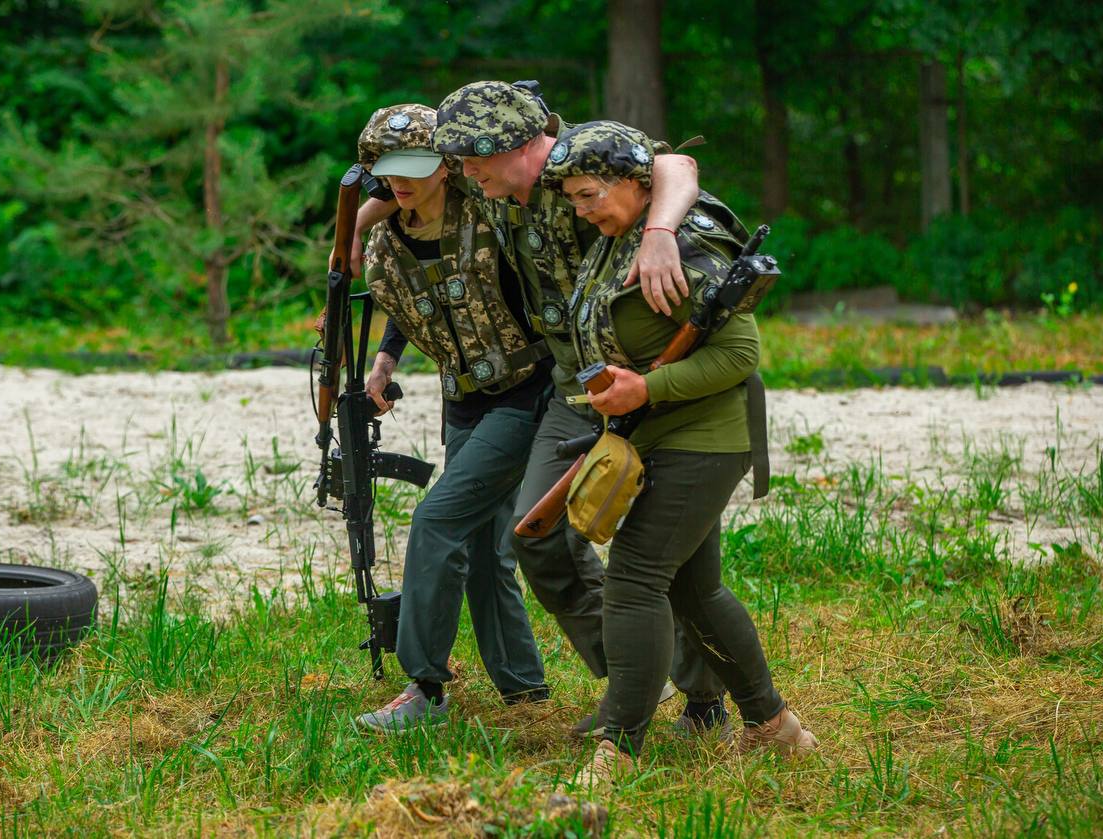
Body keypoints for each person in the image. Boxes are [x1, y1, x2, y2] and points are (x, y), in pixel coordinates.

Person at [428, 81, 733, 740]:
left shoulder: (581, 159)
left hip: (648, 376)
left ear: (511, 144)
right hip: (574, 391)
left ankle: (707, 703)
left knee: (668, 559)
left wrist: (659, 233)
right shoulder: (495, 191)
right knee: (537, 534)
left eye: (470, 159)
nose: (464, 173)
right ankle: (632, 679)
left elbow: (676, 166)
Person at [539, 120, 818, 790]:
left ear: (636, 185)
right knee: (695, 589)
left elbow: (740, 355)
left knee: (635, 579)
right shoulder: (618, 238)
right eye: (572, 199)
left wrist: (648, 386)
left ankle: (618, 746)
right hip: (656, 437)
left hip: (703, 441)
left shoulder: (686, 244)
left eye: (588, 195)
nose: (581, 210)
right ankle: (776, 727)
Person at [351, 104, 552, 732]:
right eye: (387, 170)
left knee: (438, 519)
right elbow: (418, 304)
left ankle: (425, 687)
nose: (400, 181)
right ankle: (524, 691)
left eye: (415, 167)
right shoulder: (385, 244)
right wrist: (384, 360)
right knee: (489, 551)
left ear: (447, 163)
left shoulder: (491, 211)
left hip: (526, 391)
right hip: (461, 399)